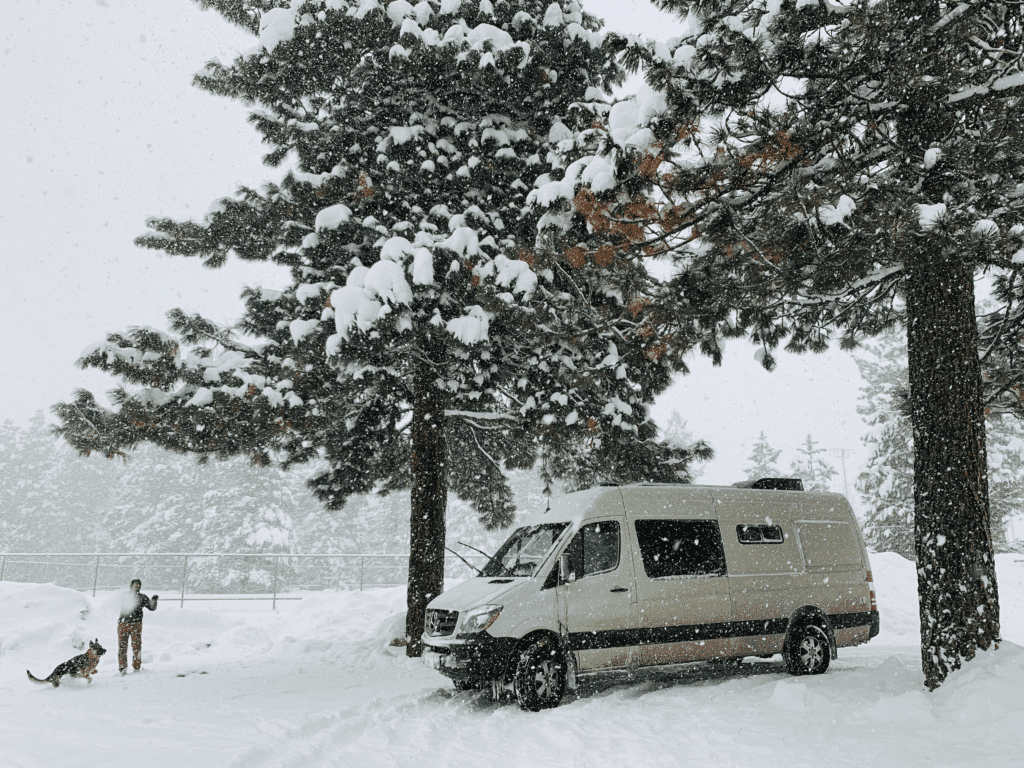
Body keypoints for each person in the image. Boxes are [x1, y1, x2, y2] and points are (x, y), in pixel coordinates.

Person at [117, 579, 158, 674]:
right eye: (135, 585)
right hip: (123, 624)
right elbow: (116, 604)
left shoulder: (142, 597)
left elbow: (152, 607)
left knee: (136, 646)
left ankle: (136, 666)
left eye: (138, 585)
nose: (137, 587)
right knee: (122, 646)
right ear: (130, 586)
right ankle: (122, 667)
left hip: (136, 624)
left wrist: (154, 600)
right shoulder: (125, 595)